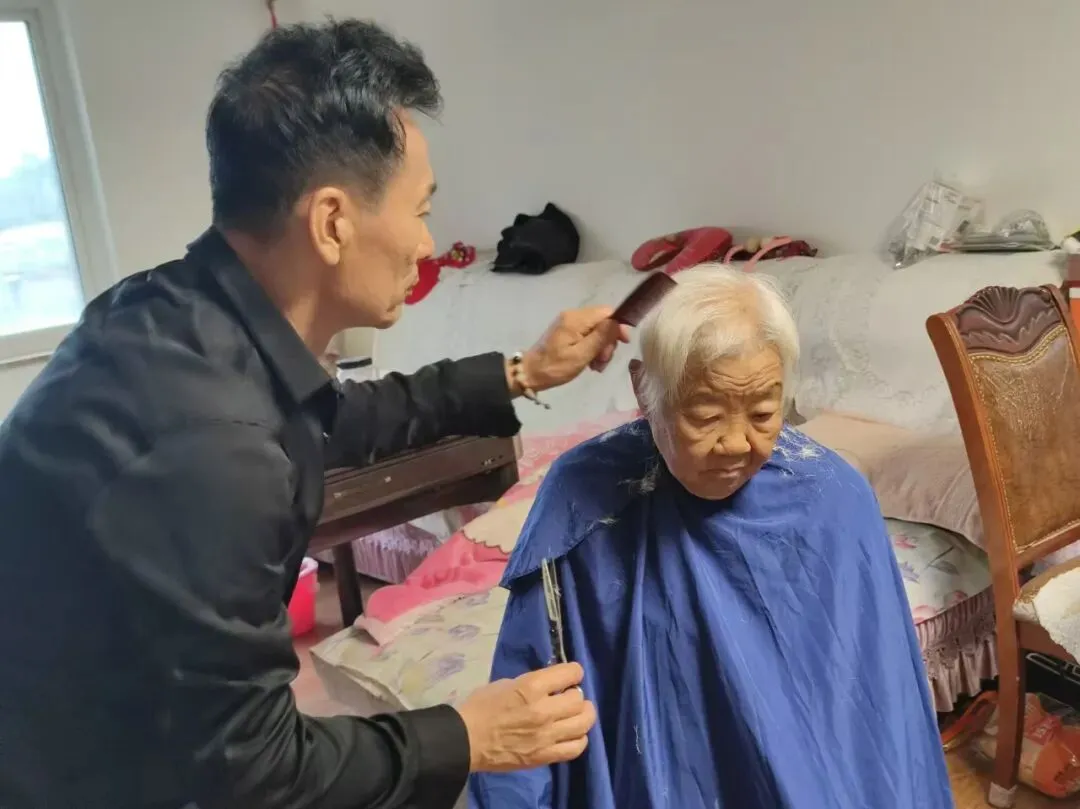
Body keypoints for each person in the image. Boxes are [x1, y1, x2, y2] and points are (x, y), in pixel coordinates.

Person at [0, 19, 614, 809]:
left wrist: (525, 372)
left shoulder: (175, 312)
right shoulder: (214, 449)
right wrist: (467, 734)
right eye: (421, 209)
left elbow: (338, 416)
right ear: (331, 222)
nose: (427, 244)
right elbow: (255, 771)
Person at [469, 266, 954, 809]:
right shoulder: (585, 493)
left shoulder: (833, 499)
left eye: (763, 414)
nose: (736, 444)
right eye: (705, 416)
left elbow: (880, 708)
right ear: (643, 390)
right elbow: (529, 689)